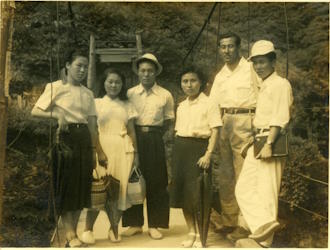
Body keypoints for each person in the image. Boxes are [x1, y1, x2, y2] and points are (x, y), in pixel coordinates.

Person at [31, 49, 107, 247]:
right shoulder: (55, 87)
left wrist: (96, 150)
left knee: (82, 186)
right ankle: (70, 233)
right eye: (78, 66)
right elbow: (35, 110)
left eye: (85, 67)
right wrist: (57, 116)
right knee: (66, 185)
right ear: (67, 66)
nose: (82, 70)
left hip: (83, 138)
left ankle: (72, 231)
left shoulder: (88, 93)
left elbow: (92, 125)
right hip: (65, 138)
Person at [235, 40, 293, 247]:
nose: (258, 66)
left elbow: (280, 116)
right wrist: (255, 139)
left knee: (267, 190)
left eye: (262, 62)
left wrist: (269, 142)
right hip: (259, 139)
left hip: (272, 141)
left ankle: (264, 243)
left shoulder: (280, 84)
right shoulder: (264, 85)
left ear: (273, 61)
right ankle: (263, 224)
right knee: (243, 188)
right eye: (255, 63)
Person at [209, 32, 258, 241]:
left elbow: (262, 96)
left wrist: (257, 125)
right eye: (223, 47)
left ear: (239, 48)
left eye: (230, 46)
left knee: (244, 174)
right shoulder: (221, 75)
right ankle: (229, 221)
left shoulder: (251, 70)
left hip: (245, 121)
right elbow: (212, 104)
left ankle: (245, 224)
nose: (226, 51)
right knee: (226, 175)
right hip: (224, 122)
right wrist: (214, 127)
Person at [80, 68, 139, 244]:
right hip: (102, 146)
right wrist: (98, 151)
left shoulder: (128, 105)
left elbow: (132, 131)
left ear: (122, 85)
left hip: (123, 149)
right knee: (99, 188)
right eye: (110, 81)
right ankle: (88, 229)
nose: (113, 85)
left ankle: (114, 229)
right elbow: (92, 129)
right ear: (104, 83)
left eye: (117, 82)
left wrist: (136, 154)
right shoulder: (96, 103)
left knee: (119, 190)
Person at [121, 53, 175, 240]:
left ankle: (155, 224)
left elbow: (169, 120)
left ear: (156, 73)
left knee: (156, 180)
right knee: (133, 178)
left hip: (154, 138)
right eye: (142, 70)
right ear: (138, 72)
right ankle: (135, 223)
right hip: (134, 137)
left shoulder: (165, 95)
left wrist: (156, 136)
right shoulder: (130, 93)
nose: (146, 74)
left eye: (150, 71)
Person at [170, 67, 222, 248]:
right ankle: (191, 231)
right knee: (184, 192)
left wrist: (208, 154)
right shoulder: (181, 105)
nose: (189, 85)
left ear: (201, 83)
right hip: (180, 149)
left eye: (193, 81)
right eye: (185, 81)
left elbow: (216, 130)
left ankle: (201, 234)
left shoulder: (209, 103)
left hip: (199, 149)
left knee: (199, 193)